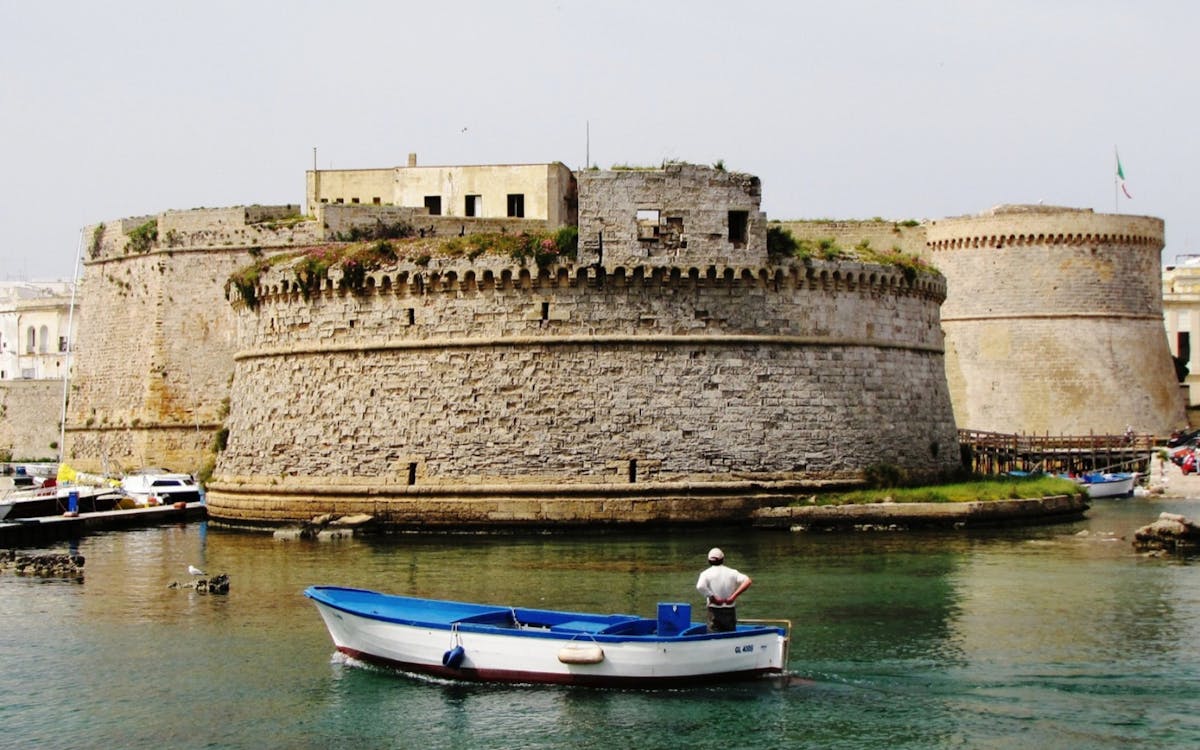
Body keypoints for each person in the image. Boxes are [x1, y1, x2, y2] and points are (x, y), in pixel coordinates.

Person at [695, 547, 752, 632]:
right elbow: (748, 581)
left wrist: (713, 597)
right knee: (730, 635)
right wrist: (733, 596)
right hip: (730, 609)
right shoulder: (733, 572)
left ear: (709, 561)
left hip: (714, 610)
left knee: (714, 636)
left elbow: (700, 586)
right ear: (723, 559)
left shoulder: (705, 574)